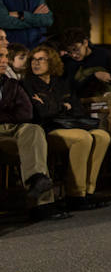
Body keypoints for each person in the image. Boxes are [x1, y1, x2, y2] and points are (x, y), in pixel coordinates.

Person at [26, 44, 111, 208]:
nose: (35, 63)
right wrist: (63, 106)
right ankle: (75, 194)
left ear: (51, 62)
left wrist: (58, 106)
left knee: (102, 136)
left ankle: (89, 191)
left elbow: (77, 108)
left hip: (68, 124)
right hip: (47, 130)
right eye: (33, 60)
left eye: (41, 59)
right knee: (82, 138)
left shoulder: (61, 83)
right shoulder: (29, 84)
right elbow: (42, 112)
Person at [0, 41, 59, 211]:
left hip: (14, 128)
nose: (5, 61)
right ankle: (40, 199)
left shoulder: (11, 84)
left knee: (33, 129)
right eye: (0, 57)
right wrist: (9, 113)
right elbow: (18, 112)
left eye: (5, 56)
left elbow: (26, 113)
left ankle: (37, 182)